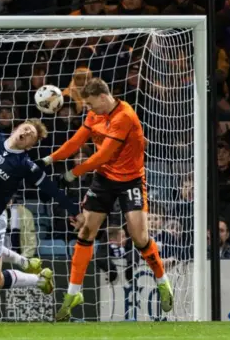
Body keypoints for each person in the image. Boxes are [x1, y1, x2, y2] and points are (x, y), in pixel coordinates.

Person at [35, 78, 173, 321]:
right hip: (104, 180)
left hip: (130, 180)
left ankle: (162, 281)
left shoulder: (124, 117)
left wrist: (71, 174)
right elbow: (76, 142)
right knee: (86, 231)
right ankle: (73, 293)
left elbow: (102, 156)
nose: (88, 109)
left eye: (90, 104)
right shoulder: (94, 115)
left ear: (103, 97)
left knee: (140, 238)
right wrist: (49, 159)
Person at [0, 86, 81, 295]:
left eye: (31, 135)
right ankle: (24, 261)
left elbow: (51, 189)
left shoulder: (24, 164)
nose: (26, 132)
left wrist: (75, 211)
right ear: (17, 127)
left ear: (30, 146)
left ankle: (38, 280)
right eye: (26, 128)